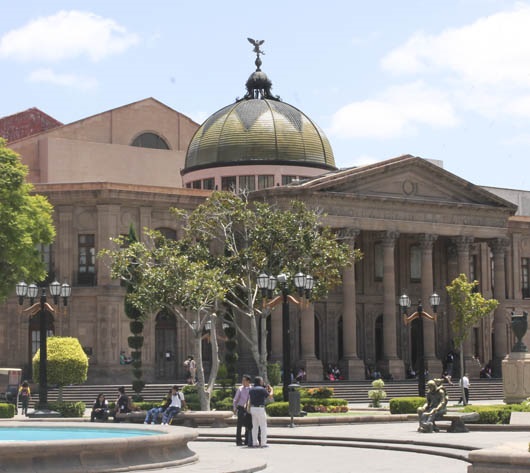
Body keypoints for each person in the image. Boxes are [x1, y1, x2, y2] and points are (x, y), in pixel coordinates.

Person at [248, 376, 272, 448]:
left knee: (254, 427)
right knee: (263, 426)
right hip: (260, 409)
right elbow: (270, 396)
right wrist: (271, 390)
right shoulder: (262, 389)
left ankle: (255, 442)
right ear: (260, 382)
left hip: (253, 408)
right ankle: (263, 443)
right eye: (262, 381)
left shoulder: (251, 389)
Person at [233, 374, 252, 446]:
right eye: (242, 380)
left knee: (248, 425)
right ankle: (238, 441)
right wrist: (235, 408)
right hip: (241, 408)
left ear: (248, 381)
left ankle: (247, 440)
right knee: (239, 425)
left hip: (248, 408)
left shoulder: (251, 389)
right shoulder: (240, 389)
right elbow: (235, 400)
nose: (242, 382)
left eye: (244, 380)